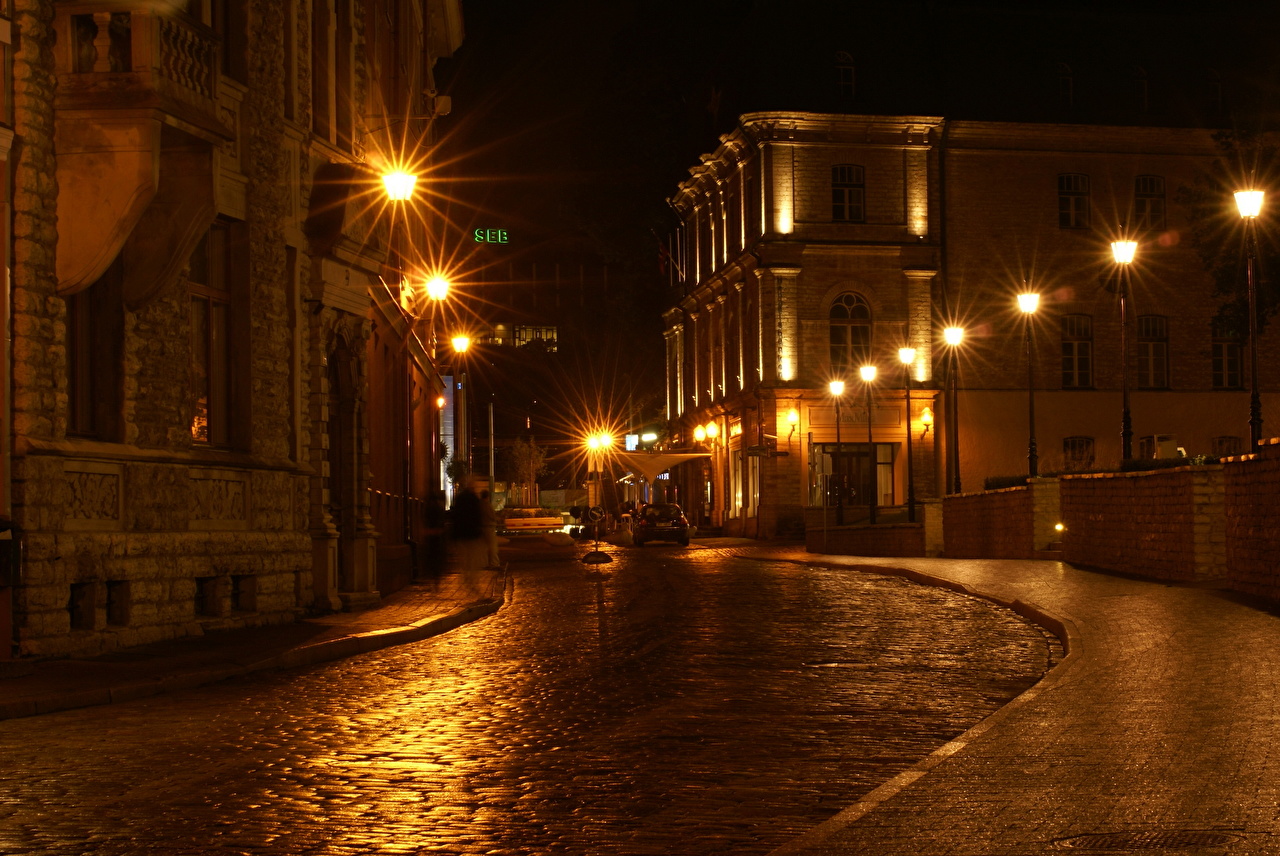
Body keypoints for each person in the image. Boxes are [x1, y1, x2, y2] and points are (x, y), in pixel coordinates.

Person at [450, 477, 486, 596]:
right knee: (474, 561)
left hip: (461, 534)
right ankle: (472, 582)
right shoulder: (474, 499)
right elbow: (478, 516)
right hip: (473, 534)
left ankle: (467, 580)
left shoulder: (460, 498)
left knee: (465, 560)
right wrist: (480, 531)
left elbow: (455, 516)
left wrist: (455, 535)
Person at [479, 489, 501, 570]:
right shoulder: (488, 505)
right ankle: (494, 563)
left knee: (483, 547)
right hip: (489, 527)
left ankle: (483, 563)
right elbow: (492, 516)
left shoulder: (479, 505)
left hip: (481, 527)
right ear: (487, 496)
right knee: (492, 546)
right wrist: (497, 519)